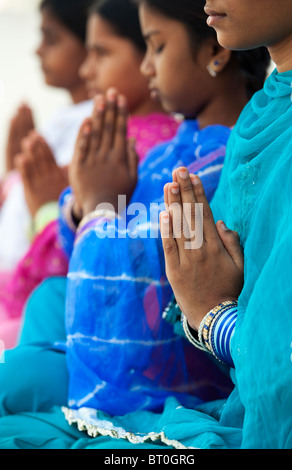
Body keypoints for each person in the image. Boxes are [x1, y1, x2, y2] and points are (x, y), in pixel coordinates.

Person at [0, 0, 271, 449]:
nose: (147, 66)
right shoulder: (174, 148)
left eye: (157, 47)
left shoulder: (223, 156)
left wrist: (100, 205)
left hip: (163, 368)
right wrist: (85, 204)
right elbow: (110, 219)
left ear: (214, 52)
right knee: (46, 306)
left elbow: (150, 258)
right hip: (116, 343)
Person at [0, 0, 180, 351]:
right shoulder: (115, 139)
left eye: (101, 53)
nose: (86, 71)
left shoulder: (127, 149)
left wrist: (48, 210)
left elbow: (94, 246)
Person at [0, 0, 95, 274]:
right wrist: (13, 176)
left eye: (51, 39)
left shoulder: (89, 126)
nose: (38, 50)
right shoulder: (63, 119)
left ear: (90, 44)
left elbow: (53, 209)